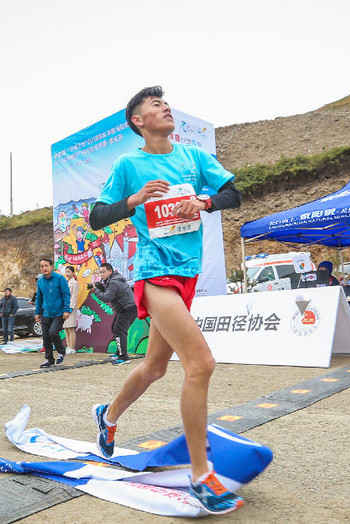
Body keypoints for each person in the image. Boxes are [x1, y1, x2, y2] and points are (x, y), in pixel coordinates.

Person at [88, 86, 242, 515]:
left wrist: (202, 201)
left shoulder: (193, 158)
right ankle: (201, 476)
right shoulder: (128, 164)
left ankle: (108, 415)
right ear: (138, 121)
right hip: (154, 271)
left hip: (187, 272)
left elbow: (232, 194)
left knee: (155, 367)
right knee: (201, 363)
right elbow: (97, 217)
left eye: (167, 104)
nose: (166, 108)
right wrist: (134, 200)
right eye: (156, 105)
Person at [87, 263, 137, 365]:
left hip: (127, 308)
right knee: (115, 329)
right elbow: (110, 292)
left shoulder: (114, 282)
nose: (101, 274)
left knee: (119, 330)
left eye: (103, 272)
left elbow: (107, 297)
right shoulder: (113, 279)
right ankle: (119, 353)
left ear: (110, 271)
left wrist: (95, 290)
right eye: (100, 272)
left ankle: (123, 357)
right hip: (124, 308)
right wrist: (100, 287)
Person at [34, 258, 72, 367]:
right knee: (46, 337)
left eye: (46, 266)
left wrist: (66, 310)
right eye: (42, 266)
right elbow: (39, 298)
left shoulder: (60, 278)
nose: (44, 268)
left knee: (53, 332)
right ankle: (49, 359)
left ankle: (61, 351)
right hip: (46, 313)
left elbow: (66, 295)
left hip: (59, 312)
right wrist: (37, 312)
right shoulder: (40, 281)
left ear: (51, 266)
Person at [63, 266, 79, 352]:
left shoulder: (75, 283)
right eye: (66, 272)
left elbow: (74, 297)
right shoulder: (65, 282)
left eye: (69, 272)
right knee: (66, 328)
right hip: (64, 308)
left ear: (73, 273)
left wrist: (71, 308)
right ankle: (68, 346)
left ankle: (72, 347)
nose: (67, 273)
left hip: (70, 308)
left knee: (71, 328)